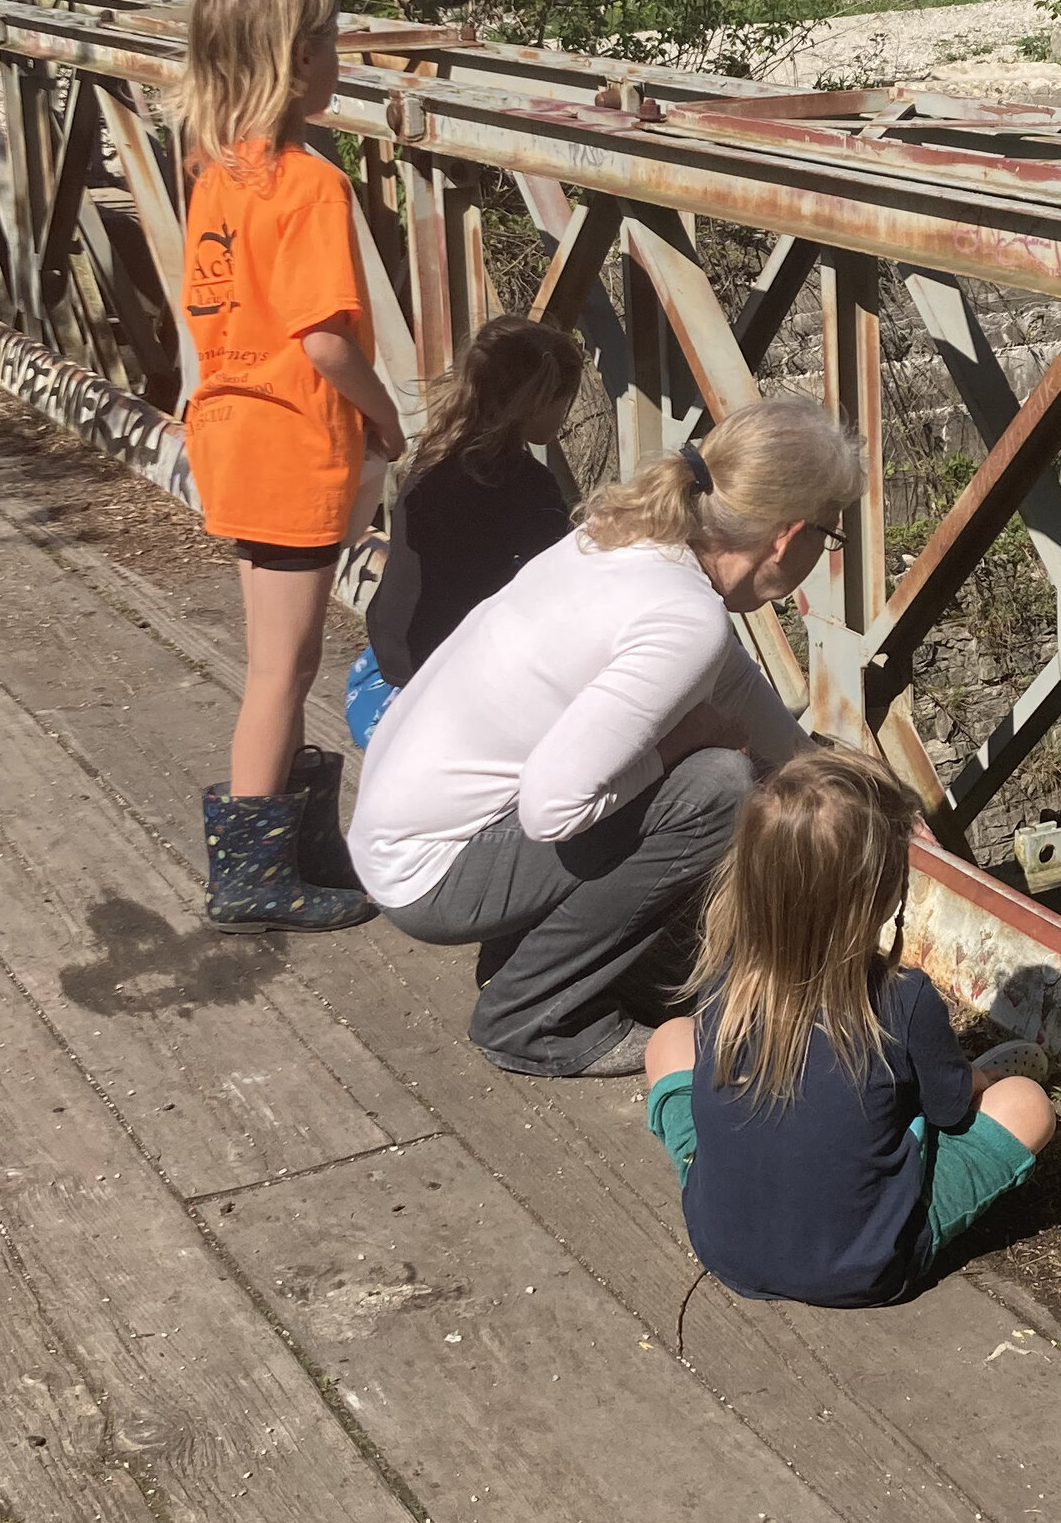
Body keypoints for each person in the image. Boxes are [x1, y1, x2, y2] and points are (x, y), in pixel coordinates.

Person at [348, 399, 861, 1077]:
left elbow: (734, 687)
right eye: (829, 536)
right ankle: (530, 1016)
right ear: (786, 535)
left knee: (697, 775)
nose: (822, 553)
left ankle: (529, 952)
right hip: (430, 873)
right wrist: (687, 740)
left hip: (398, 829)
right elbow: (552, 808)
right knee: (715, 790)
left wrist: (832, 789)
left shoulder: (632, 538)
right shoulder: (686, 614)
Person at [642, 750, 1057, 1307]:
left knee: (671, 1037)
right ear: (883, 892)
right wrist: (974, 1080)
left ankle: (721, 1183)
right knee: (1026, 1102)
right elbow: (949, 1114)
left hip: (721, 1246)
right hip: (863, 1267)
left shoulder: (724, 978)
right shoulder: (905, 999)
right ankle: (980, 1078)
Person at [176, 0, 404, 931]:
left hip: (226, 434)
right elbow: (321, 341)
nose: (339, 55)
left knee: (275, 653)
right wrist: (385, 412)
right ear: (292, 61)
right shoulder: (309, 185)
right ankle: (252, 873)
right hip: (291, 445)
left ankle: (297, 840)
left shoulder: (216, 174)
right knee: (283, 664)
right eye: (328, 41)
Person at [342, 316, 584, 751]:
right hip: (436, 694)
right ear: (540, 401)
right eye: (562, 404)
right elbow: (559, 588)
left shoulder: (431, 458)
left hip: (380, 672)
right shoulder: (528, 486)